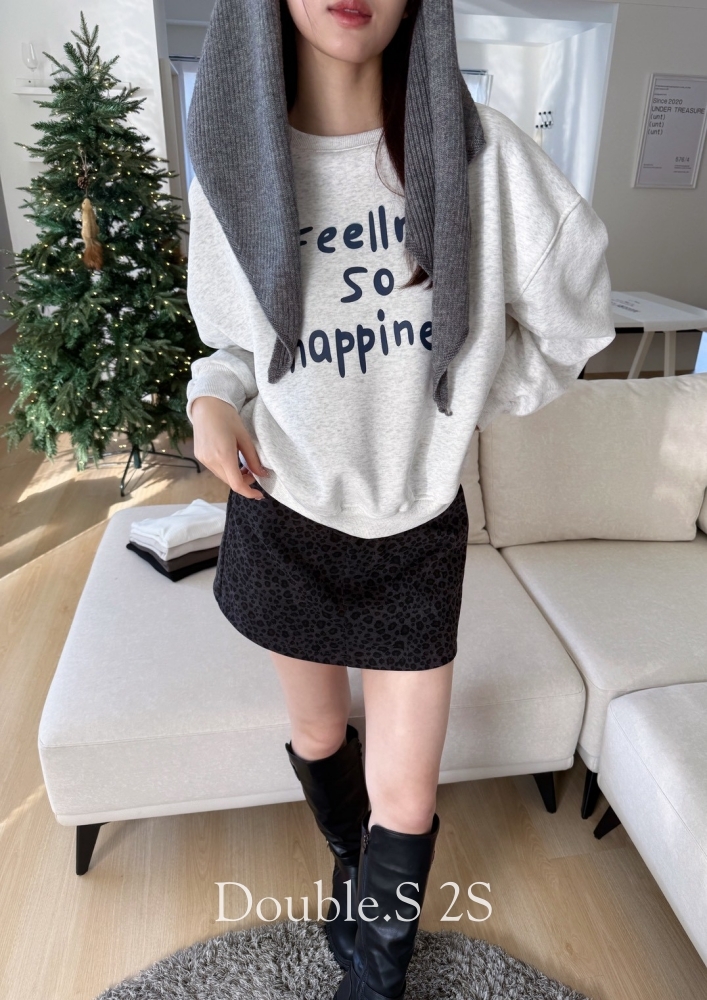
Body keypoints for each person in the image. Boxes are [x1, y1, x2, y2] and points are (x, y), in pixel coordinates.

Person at [184, 1, 616, 997]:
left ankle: (377, 979)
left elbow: (577, 317)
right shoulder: (238, 171)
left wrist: (463, 401)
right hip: (285, 514)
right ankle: (349, 865)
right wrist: (210, 401)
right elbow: (234, 345)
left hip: (415, 533)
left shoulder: (479, 158)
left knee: (407, 795)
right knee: (318, 737)